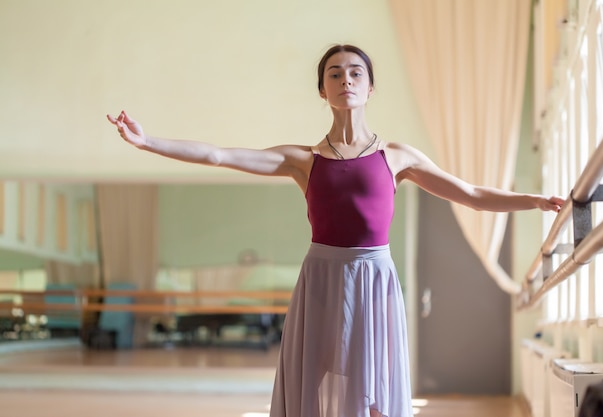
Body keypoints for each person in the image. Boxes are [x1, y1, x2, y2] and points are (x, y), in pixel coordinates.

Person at [108, 44, 564, 417]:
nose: (345, 80)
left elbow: (470, 193)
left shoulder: (397, 156)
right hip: (322, 279)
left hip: (375, 279)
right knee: (317, 380)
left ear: (369, 87)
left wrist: (536, 201)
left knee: (377, 391)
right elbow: (218, 155)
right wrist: (148, 142)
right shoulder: (304, 160)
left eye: (355, 73)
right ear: (322, 89)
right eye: (334, 74)